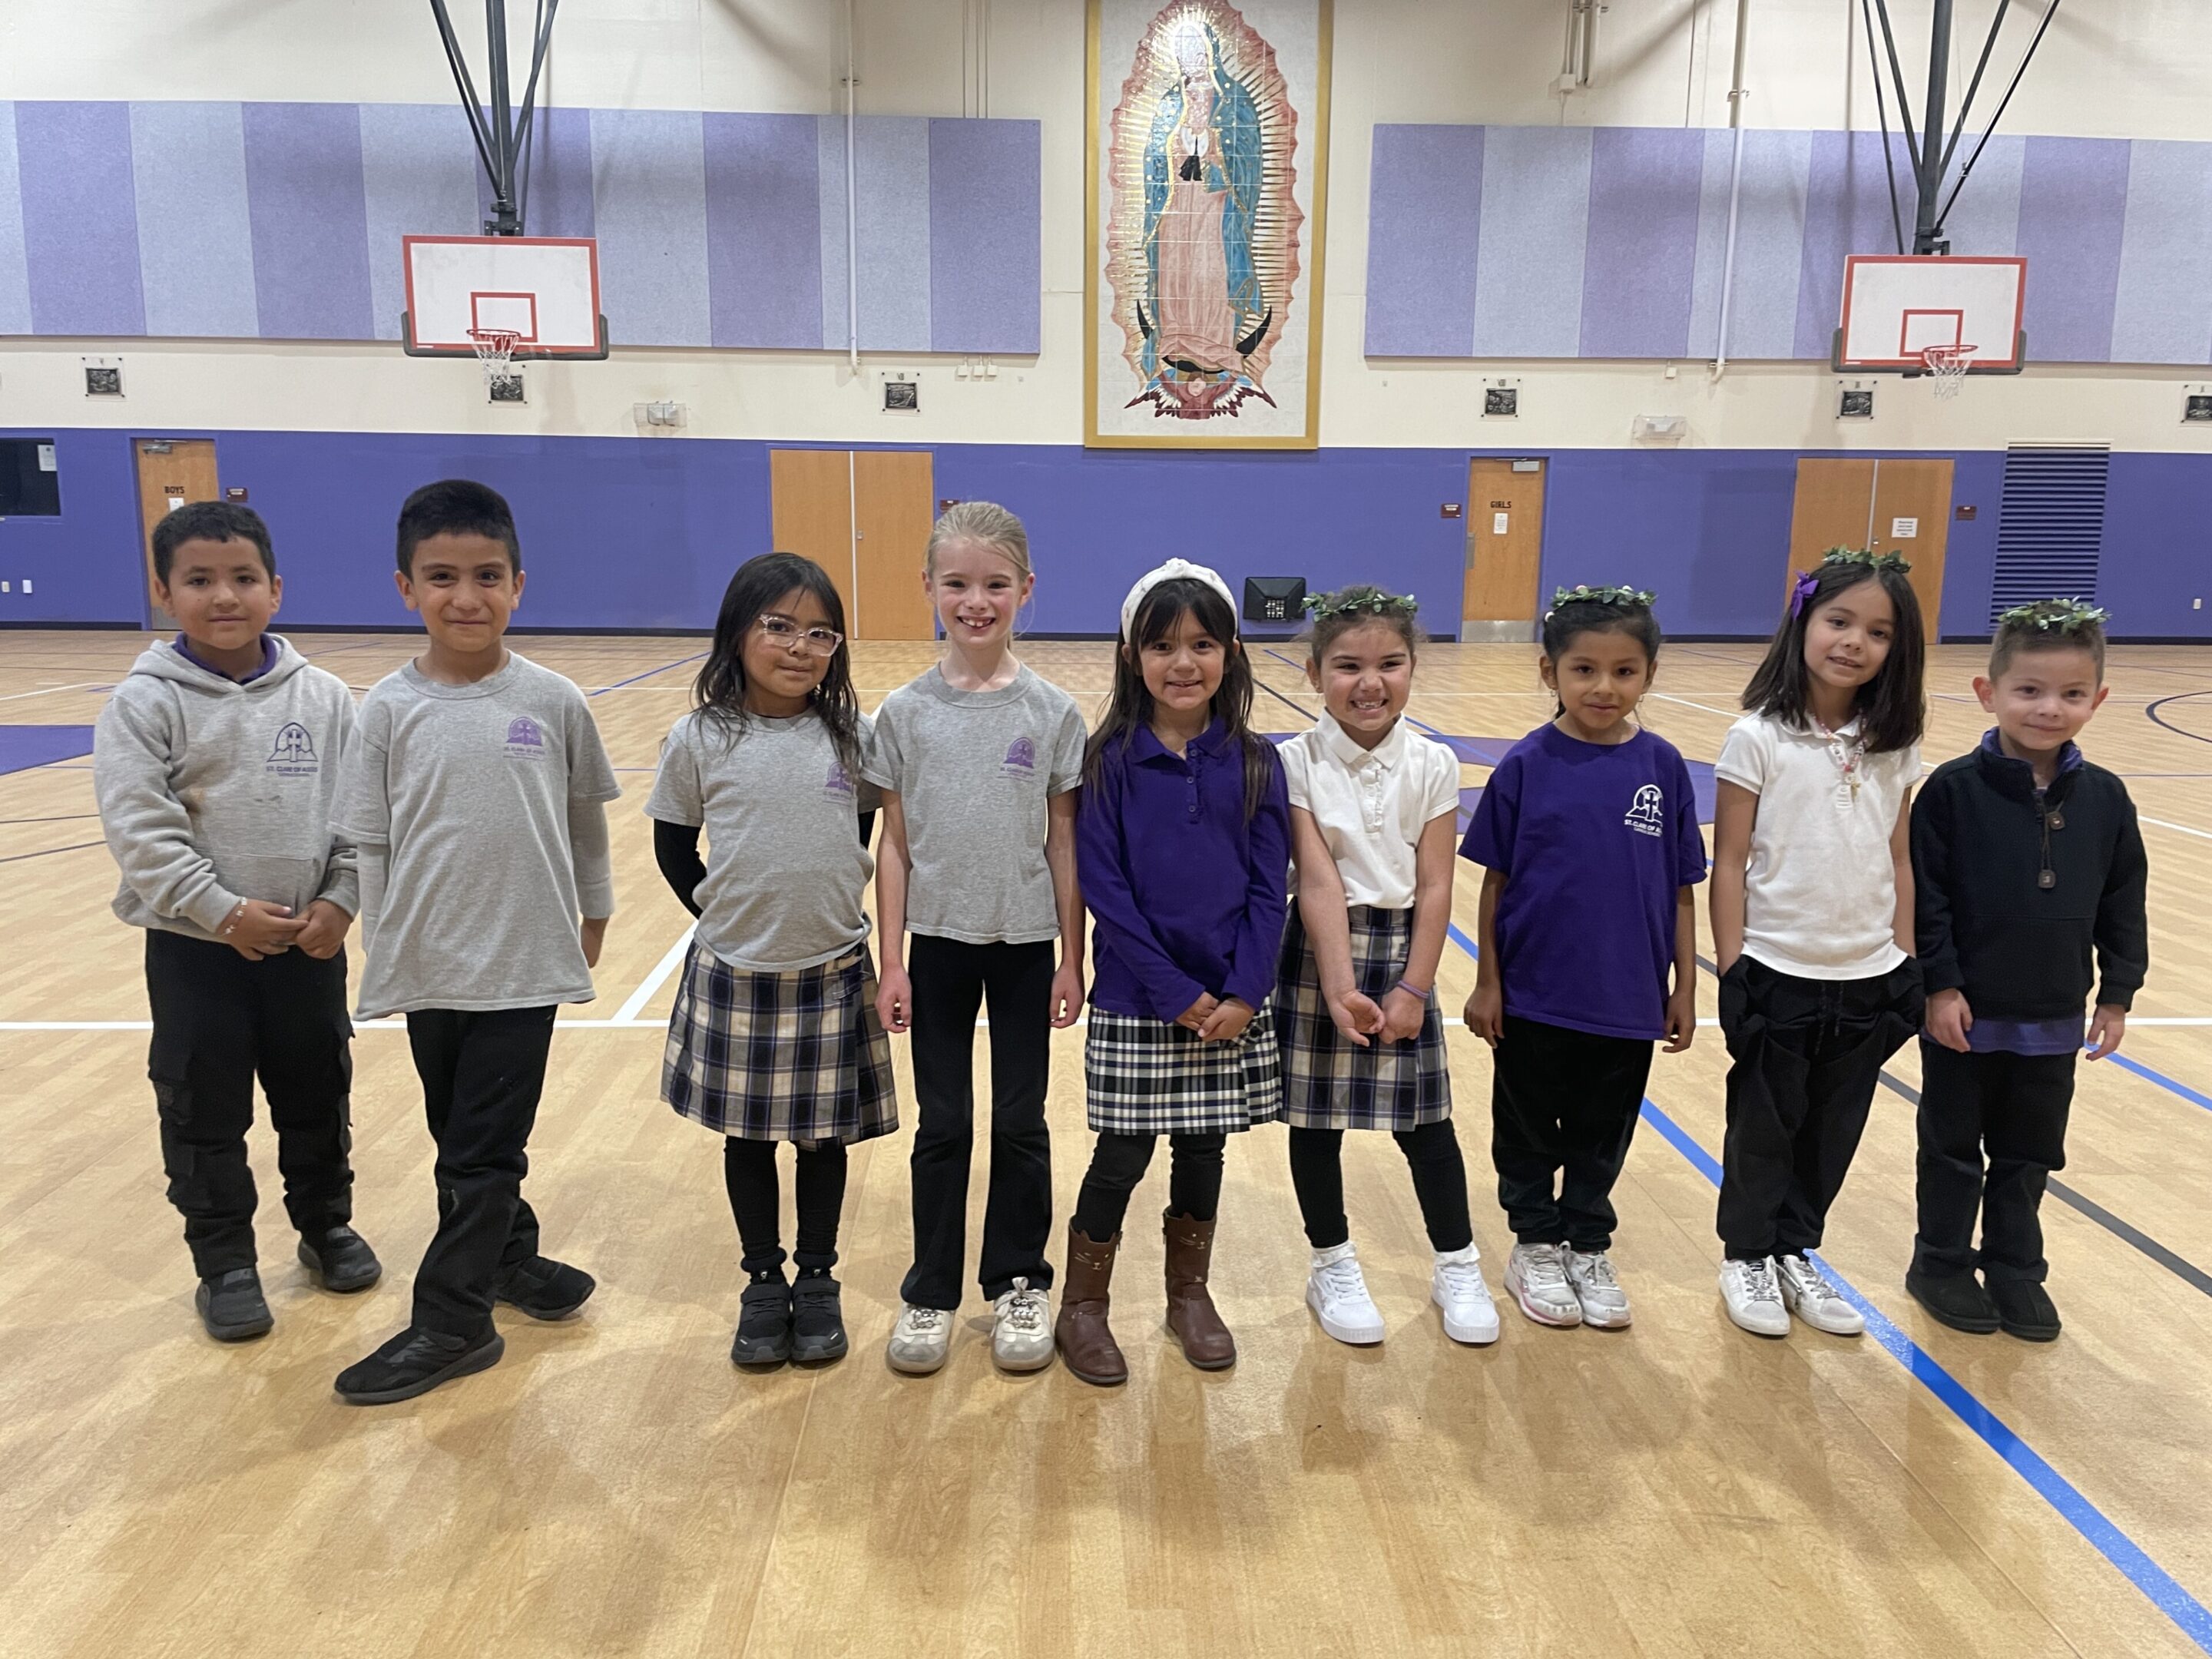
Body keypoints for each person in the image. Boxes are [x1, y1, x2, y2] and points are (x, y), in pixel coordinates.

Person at [330, 480, 620, 1404]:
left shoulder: (555, 699)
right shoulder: (384, 709)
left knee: (481, 1150)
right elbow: (369, 840)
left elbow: (585, 823)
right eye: (443, 576)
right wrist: (384, 946)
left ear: (519, 585)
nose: (467, 596)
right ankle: (510, 1257)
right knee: (456, 1132)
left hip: (524, 959)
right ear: (405, 587)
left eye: (487, 576)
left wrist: (596, 912)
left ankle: (453, 1321)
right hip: (428, 961)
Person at [93, 501, 379, 1343]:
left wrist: (341, 901)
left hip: (307, 948)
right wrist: (220, 914)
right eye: (200, 580)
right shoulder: (145, 705)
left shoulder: (325, 699)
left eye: (243, 578)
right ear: (164, 591)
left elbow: (365, 814)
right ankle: (224, 1262)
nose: (225, 596)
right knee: (202, 1110)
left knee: (317, 1093)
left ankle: (325, 1227)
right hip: (198, 955)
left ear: (276, 588)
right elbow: (140, 833)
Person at [648, 553, 896, 1369]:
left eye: (820, 632)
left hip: (829, 967)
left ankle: (817, 1279)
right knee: (747, 1139)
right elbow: (674, 846)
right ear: (738, 632)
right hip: (736, 969)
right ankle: (762, 1281)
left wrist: (817, 898)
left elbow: (859, 833)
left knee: (822, 1142)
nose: (799, 647)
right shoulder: (700, 737)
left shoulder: (851, 738)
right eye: (779, 626)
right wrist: (719, 910)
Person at [867, 502, 1088, 1377]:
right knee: (944, 1123)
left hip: (1029, 941)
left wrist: (1075, 954)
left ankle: (1019, 1282)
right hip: (941, 946)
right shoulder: (904, 714)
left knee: (1022, 1119)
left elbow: (1064, 840)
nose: (976, 601)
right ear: (928, 589)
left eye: (995, 584)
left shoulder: (1053, 711)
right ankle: (929, 1291)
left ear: (1025, 591)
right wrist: (892, 958)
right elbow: (896, 845)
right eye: (956, 583)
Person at [1056, 558, 1289, 1386]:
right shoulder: (1110, 761)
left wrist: (1243, 993)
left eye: (1200, 643)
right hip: (1137, 997)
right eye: (1161, 645)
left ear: (1231, 650)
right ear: (1131, 657)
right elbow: (1105, 892)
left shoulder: (1259, 761)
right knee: (1119, 1154)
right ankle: (1083, 1307)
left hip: (1226, 1006)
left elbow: (1272, 891)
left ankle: (1188, 1294)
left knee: (1203, 1150)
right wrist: (1173, 993)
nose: (1182, 663)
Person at [1464, 586, 1705, 1332]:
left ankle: (1588, 1242)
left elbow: (1682, 890)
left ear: (1650, 674)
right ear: (1550, 672)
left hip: (1628, 999)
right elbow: (1495, 885)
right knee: (1529, 1128)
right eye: (1585, 670)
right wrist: (1487, 982)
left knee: (1605, 1132)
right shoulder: (1526, 766)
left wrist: (1686, 989)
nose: (1605, 687)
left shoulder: (1663, 767)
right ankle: (1535, 1241)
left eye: (1625, 671)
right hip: (1536, 996)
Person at [1906, 599, 2147, 1342]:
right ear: (1989, 692)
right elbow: (1928, 897)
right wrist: (1939, 984)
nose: (2050, 709)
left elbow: (2122, 899)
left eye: (2072, 695)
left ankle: (2015, 1268)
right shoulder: (1951, 791)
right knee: (1952, 1147)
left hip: (2053, 1018)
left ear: (2097, 700)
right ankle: (1940, 1261)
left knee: (2029, 1152)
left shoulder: (2105, 799)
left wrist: (2117, 995)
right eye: (2030, 691)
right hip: (1967, 1015)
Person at [1711, 549, 1927, 1339]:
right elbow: (1730, 860)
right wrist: (1733, 968)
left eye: (1877, 631)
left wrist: (1906, 958)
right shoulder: (1757, 737)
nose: (1854, 642)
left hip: (1868, 974)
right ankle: (1747, 1256)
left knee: (1835, 1128)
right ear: (1804, 620)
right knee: (1765, 1127)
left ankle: (1798, 1249)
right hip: (1778, 966)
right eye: (1839, 621)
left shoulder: (1895, 743)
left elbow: (1900, 856)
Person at [1275, 585, 1497, 1348]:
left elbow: (1437, 883)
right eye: (1347, 666)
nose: (1369, 683)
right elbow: (1319, 881)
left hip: (1407, 950)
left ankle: (1457, 1261)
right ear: (1312, 674)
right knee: (1316, 1122)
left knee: (1428, 1124)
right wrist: (1339, 987)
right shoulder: (1292, 762)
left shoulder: (1435, 762)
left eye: (1390, 664)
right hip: (1320, 947)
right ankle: (1330, 1259)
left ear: (1413, 668)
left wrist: (1413, 987)